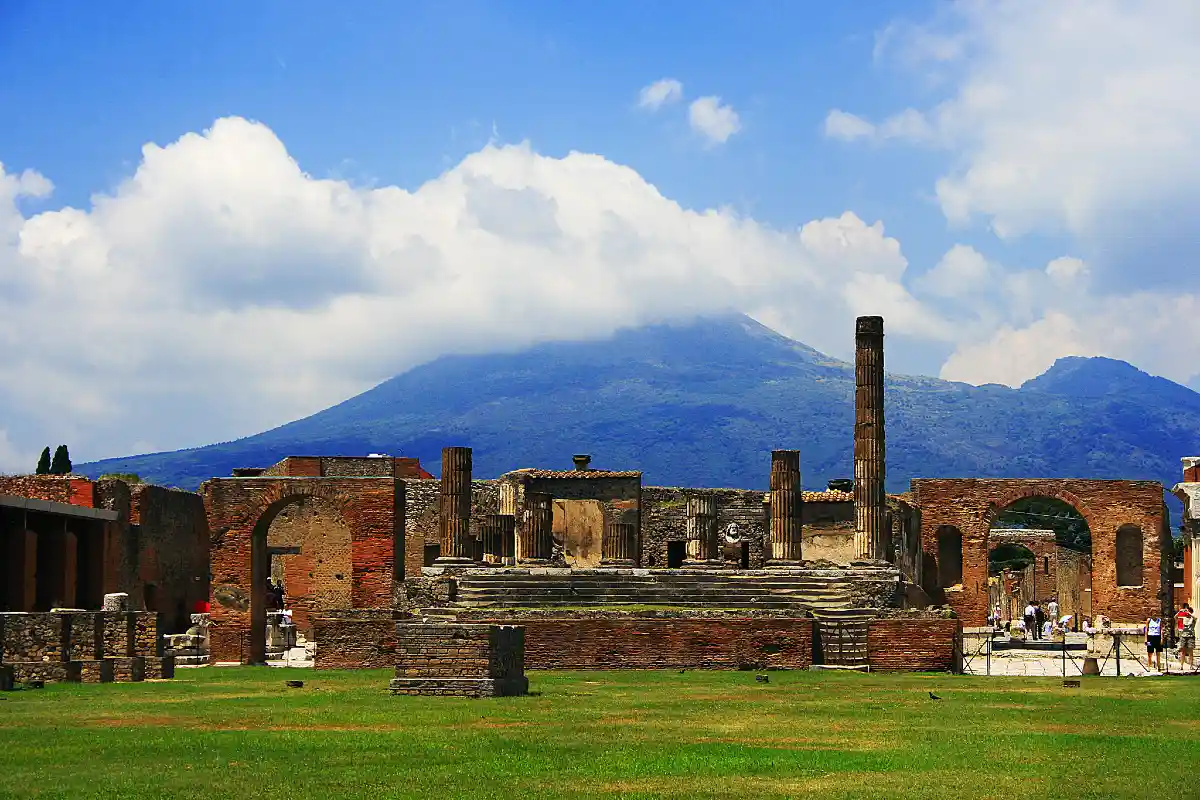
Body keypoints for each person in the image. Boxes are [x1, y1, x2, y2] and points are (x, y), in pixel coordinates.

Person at [1178, 604, 1195, 672]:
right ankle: (1181, 666)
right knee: (1183, 652)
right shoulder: (1183, 618)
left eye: (1188, 611)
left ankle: (1191, 666)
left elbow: (1195, 618)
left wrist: (1189, 613)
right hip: (1183, 636)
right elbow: (1175, 617)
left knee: (1191, 652)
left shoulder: (1193, 619)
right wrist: (1180, 612)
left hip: (1191, 636)